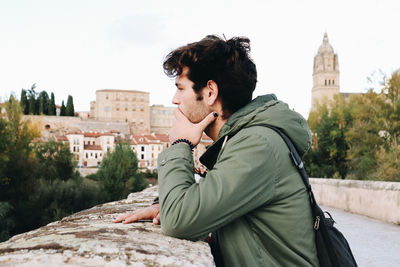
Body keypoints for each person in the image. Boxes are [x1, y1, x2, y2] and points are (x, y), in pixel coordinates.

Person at [113, 35, 319, 266]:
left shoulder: (257, 145)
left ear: (210, 92)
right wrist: (168, 204)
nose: (174, 99)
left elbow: (179, 220)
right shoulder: (243, 140)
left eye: (181, 89)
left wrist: (180, 143)